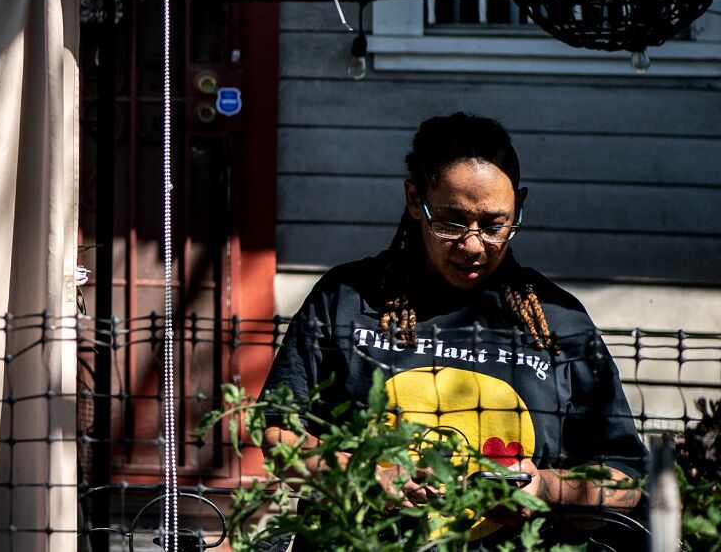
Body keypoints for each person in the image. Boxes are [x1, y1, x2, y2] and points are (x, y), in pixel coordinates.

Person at [261, 112, 646, 528]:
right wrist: (368, 474)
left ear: (520, 206)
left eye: (496, 225)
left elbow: (626, 477)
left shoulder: (558, 320)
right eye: (452, 223)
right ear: (414, 200)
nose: (473, 245)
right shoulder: (348, 300)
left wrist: (546, 490)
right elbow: (279, 435)